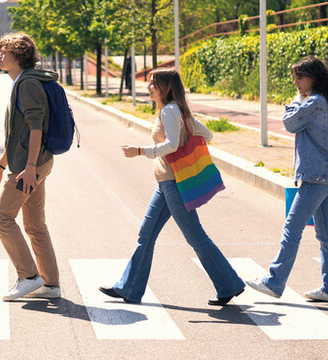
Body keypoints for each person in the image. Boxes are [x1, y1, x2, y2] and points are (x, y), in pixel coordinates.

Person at [98, 67, 246, 306]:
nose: (148, 88)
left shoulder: (169, 110)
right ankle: (128, 288)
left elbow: (173, 144)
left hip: (174, 183)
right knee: (146, 234)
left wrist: (140, 151)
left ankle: (229, 284)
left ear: (165, 88)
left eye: (152, 84)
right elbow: (207, 135)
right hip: (165, 184)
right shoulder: (178, 111)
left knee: (195, 236)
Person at [246, 56, 328, 303]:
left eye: (299, 77)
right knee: (326, 234)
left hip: (316, 176)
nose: (296, 82)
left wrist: (296, 99)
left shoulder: (314, 101)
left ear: (314, 78)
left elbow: (290, 123)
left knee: (292, 228)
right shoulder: (326, 101)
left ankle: (274, 281)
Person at [0, 32, 62, 301]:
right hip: (35, 163)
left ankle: (28, 276)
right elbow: (17, 134)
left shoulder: (27, 83)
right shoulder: (22, 81)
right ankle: (51, 285)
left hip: (31, 166)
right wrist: (0, 166)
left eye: (4, 51)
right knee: (34, 225)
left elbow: (35, 127)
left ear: (18, 55)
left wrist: (29, 167)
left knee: (2, 217)